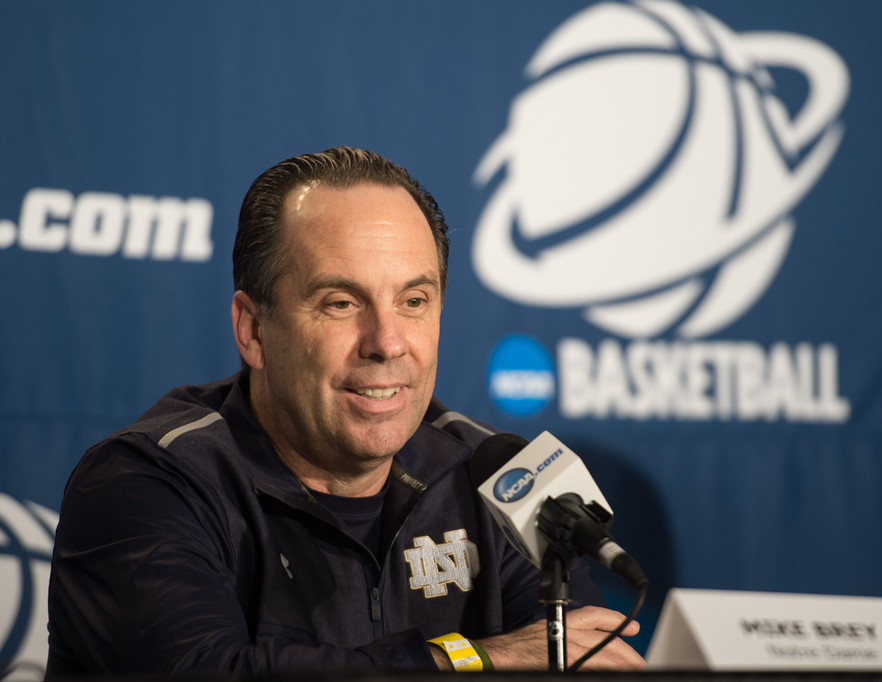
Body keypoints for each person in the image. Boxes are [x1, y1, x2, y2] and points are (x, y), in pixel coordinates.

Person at [46, 146, 645, 677]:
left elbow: (567, 653)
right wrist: (479, 657)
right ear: (253, 331)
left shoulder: (494, 475)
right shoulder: (145, 483)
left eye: (414, 300)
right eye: (340, 303)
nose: (387, 341)